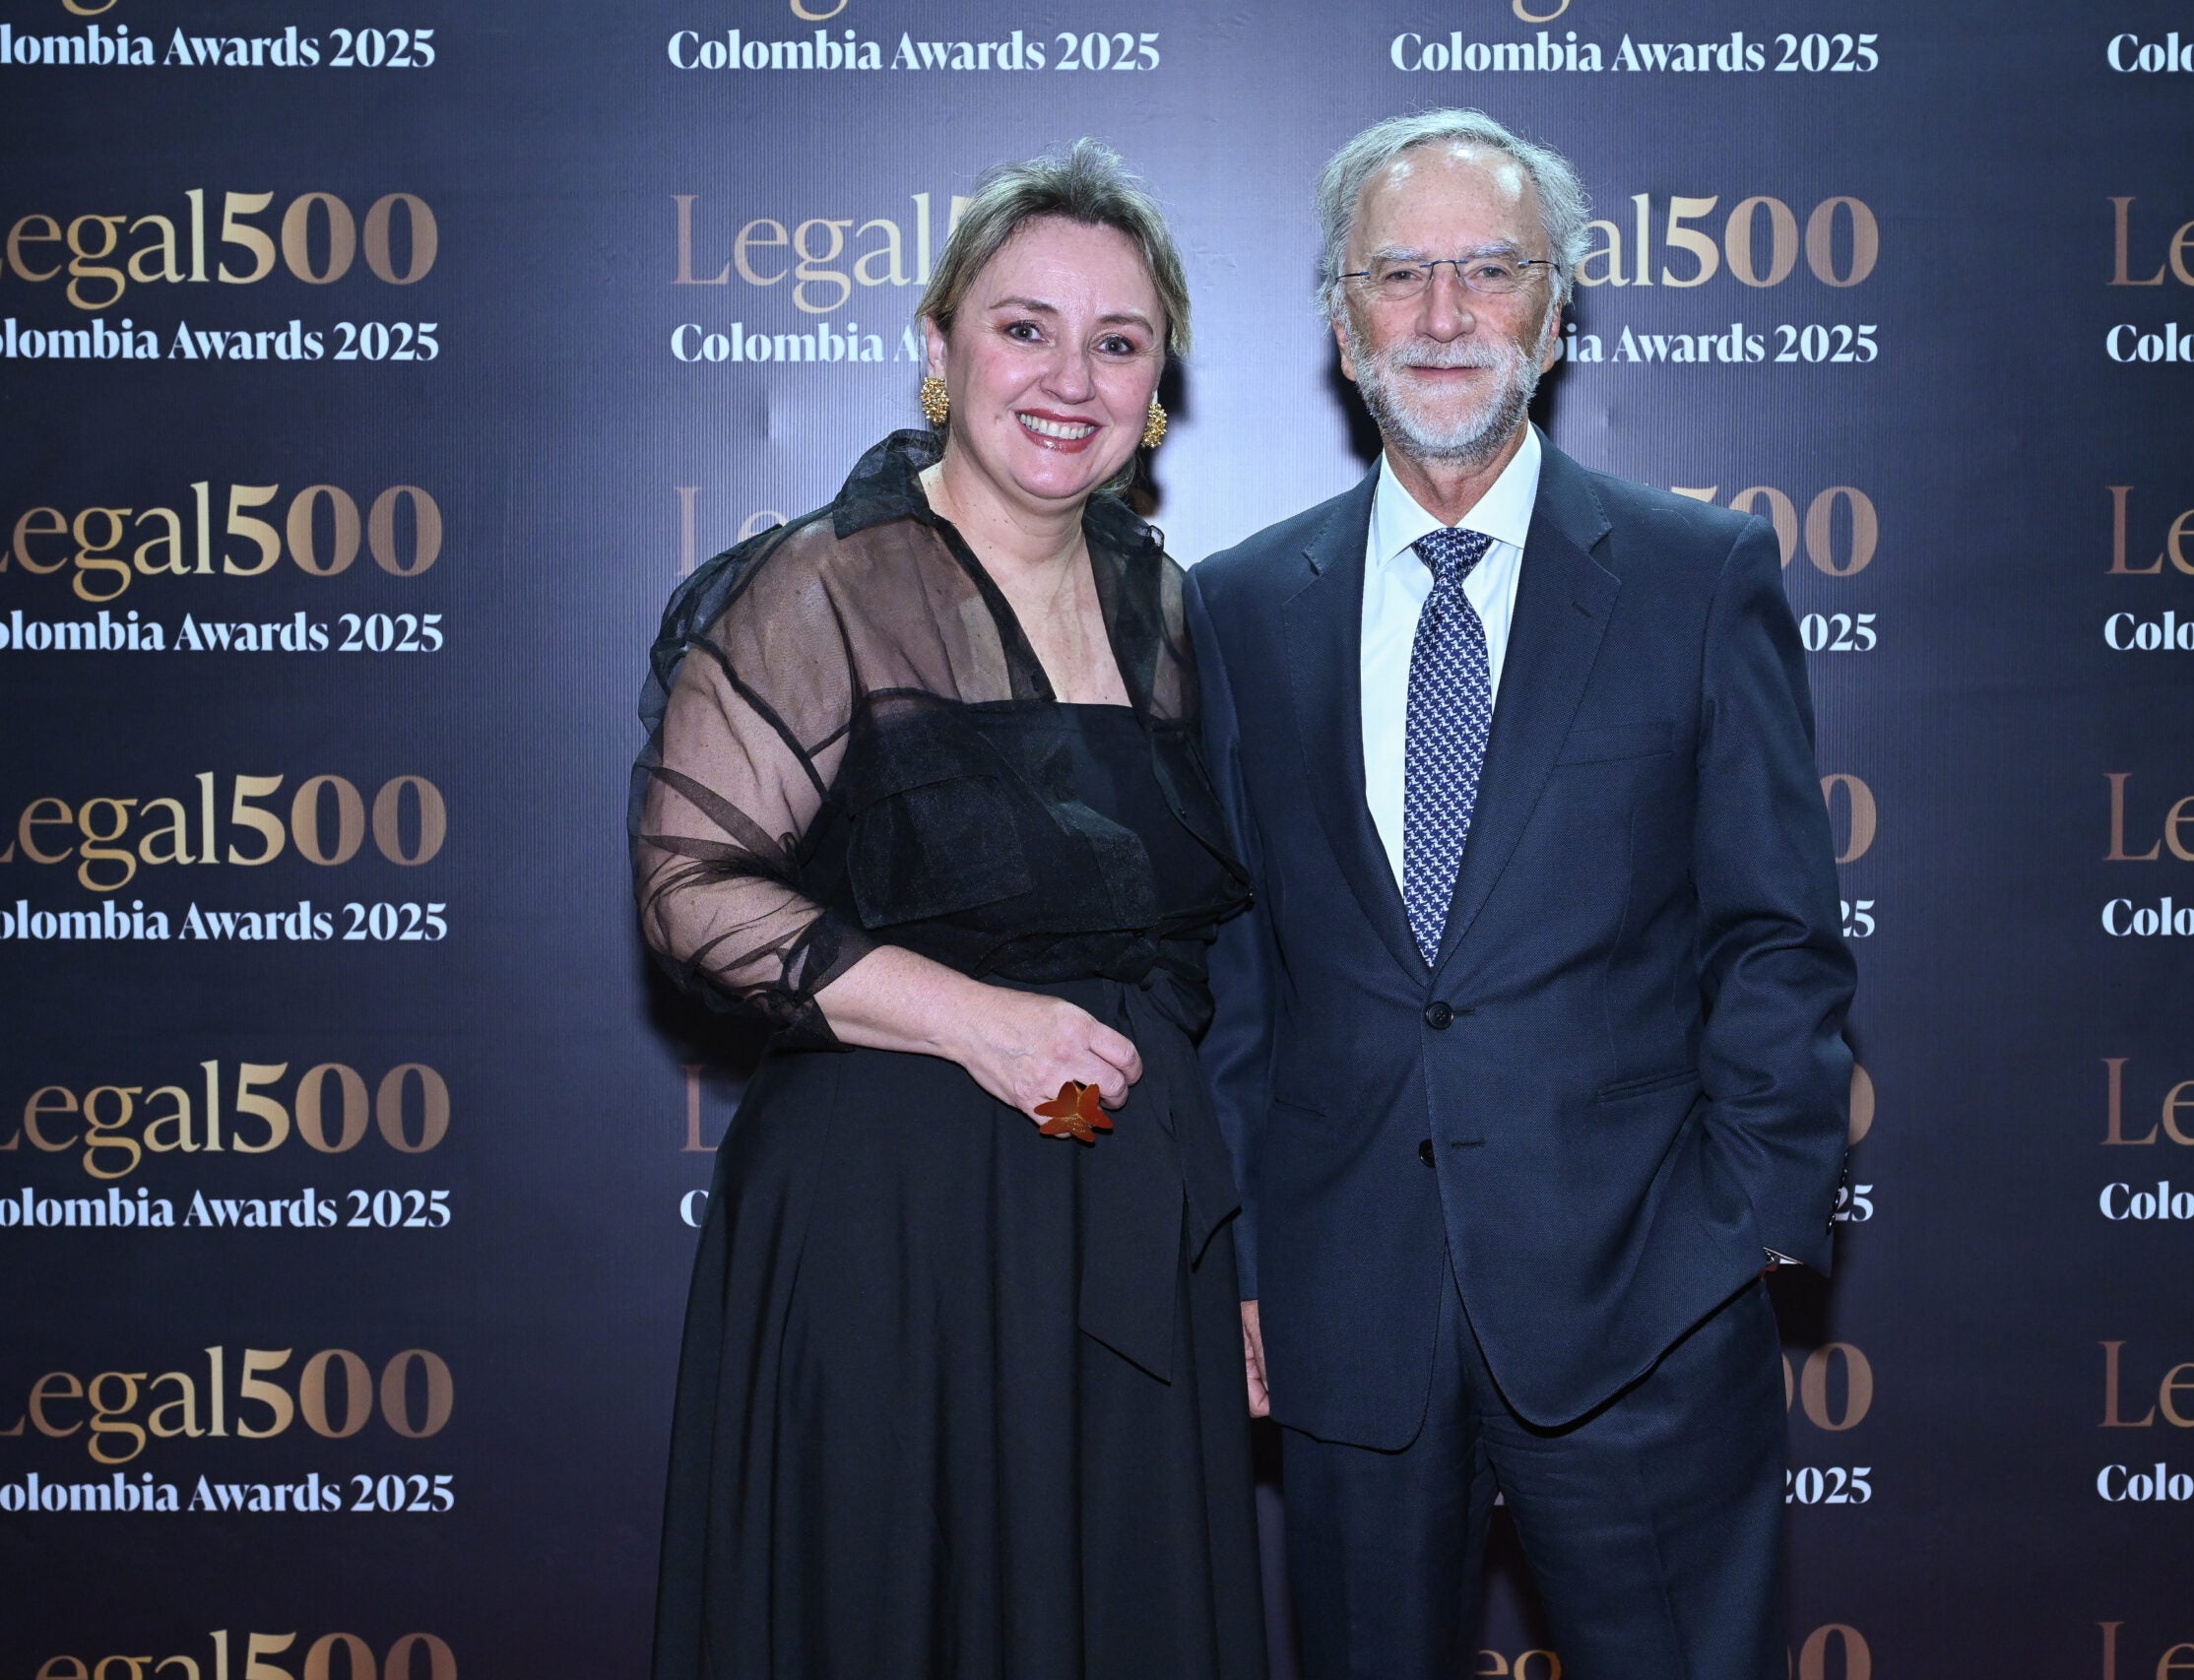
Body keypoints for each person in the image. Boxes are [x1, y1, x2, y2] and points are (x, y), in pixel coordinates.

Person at [1188, 109, 1857, 1678]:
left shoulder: (1702, 575)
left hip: (1648, 1306)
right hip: (1348, 1318)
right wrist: (1242, 1260)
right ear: (1341, 320)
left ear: (1557, 314)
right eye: (1398, 273)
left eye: (1488, 271)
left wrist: (1743, 1231)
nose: (1440, 316)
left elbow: (1779, 935)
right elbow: (1232, 980)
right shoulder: (1234, 610)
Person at [633, 138, 1265, 1680]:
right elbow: (689, 889)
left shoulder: (1175, 610)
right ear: (938, 347)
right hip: (894, 1234)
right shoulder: (818, 586)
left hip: (1131, 1216)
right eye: (1023, 326)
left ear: (1157, 381)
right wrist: (972, 1021)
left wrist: (1235, 1245)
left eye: (1118, 342)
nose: (1070, 377)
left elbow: (1208, 952)